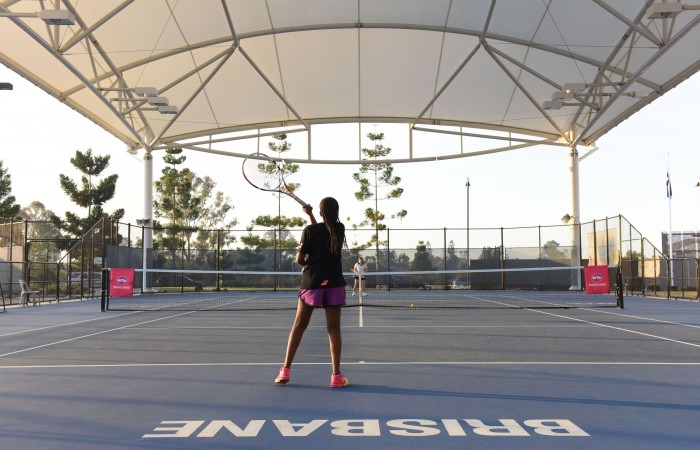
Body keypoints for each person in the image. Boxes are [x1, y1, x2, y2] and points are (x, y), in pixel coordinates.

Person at [274, 197, 349, 388]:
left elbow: (300, 259)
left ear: (321, 212)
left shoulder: (309, 231)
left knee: (299, 326)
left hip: (312, 283)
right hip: (334, 283)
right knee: (334, 330)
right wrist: (311, 215)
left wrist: (308, 264)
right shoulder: (339, 230)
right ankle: (336, 377)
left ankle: (285, 370)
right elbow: (324, 233)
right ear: (336, 211)